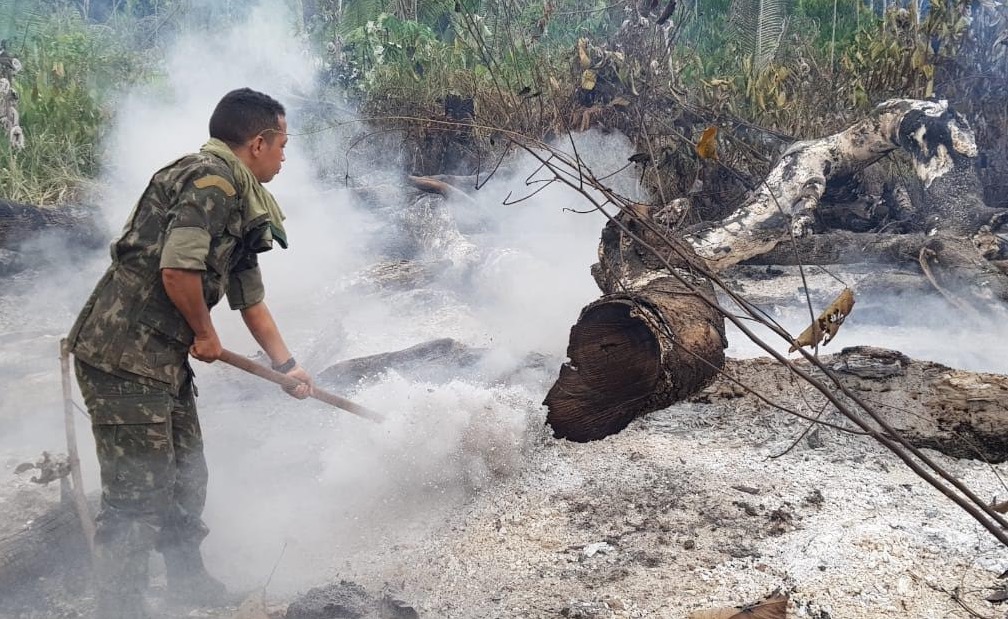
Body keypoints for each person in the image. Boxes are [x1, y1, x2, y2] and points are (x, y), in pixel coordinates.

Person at [67, 87, 313, 618]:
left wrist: (288, 368)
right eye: (283, 144)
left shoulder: (243, 201)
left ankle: (186, 586)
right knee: (137, 499)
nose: (285, 156)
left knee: (187, 475)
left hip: (161, 359)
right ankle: (120, 608)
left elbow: (251, 301)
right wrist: (204, 333)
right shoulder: (211, 181)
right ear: (258, 142)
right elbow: (177, 270)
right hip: (122, 355)